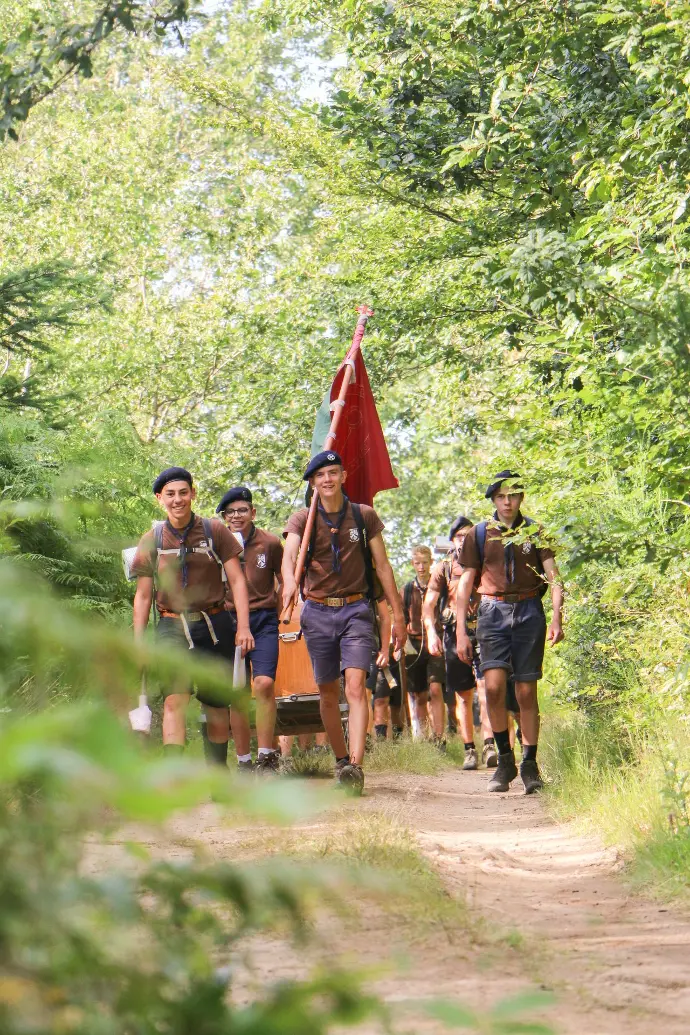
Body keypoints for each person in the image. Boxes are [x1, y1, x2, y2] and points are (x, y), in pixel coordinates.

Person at [282, 450, 406, 795]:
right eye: (320, 475)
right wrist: (290, 582)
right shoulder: (301, 519)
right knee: (327, 692)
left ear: (343, 476)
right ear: (312, 482)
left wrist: (397, 613)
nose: (327, 480)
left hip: (355, 610)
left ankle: (356, 765)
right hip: (318, 612)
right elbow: (289, 556)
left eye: (333, 473)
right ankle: (340, 761)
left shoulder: (363, 516)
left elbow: (383, 566)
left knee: (355, 687)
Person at [131, 467, 253, 761]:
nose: (178, 500)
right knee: (175, 699)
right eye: (170, 494)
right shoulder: (152, 540)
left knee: (216, 704)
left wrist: (244, 627)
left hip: (215, 625)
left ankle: (216, 774)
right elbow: (144, 595)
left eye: (183, 492)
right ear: (160, 498)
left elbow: (237, 580)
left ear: (193, 494)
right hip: (171, 626)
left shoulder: (215, 531)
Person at [455, 471, 564, 794]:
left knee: (527, 691)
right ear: (493, 499)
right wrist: (461, 629)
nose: (507, 501)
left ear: (521, 498)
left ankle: (530, 764)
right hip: (491, 612)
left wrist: (557, 616)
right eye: (501, 496)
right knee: (494, 686)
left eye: (513, 495)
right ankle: (505, 759)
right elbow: (465, 584)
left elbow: (554, 578)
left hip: (530, 611)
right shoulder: (479, 534)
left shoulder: (536, 531)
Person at [217, 486, 283, 772]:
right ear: (223, 517)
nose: (236, 516)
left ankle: (267, 755)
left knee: (264, 684)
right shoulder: (215, 544)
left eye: (242, 510)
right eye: (230, 512)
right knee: (237, 694)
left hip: (264, 620)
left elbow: (284, 580)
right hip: (228, 622)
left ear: (252, 512)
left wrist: (283, 613)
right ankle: (244, 761)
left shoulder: (270, 543)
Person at [424, 516, 497, 771]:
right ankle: (469, 749)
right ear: (452, 540)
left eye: (468, 535)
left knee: (487, 689)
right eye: (459, 536)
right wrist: (431, 633)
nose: (464, 540)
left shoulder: (485, 562)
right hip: (455, 632)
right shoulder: (443, 568)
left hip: (485, 629)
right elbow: (429, 604)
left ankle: (490, 744)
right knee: (463, 695)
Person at [401, 545, 446, 746]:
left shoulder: (438, 587)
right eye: (417, 563)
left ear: (431, 563)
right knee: (418, 695)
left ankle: (439, 738)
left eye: (425, 563)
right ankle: (423, 739)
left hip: (435, 644)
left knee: (435, 689)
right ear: (413, 563)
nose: (421, 567)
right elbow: (401, 618)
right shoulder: (407, 590)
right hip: (413, 645)